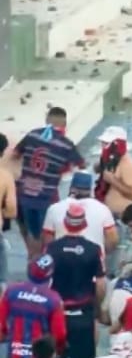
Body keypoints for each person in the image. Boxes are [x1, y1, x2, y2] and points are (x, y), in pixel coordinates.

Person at [45, 202, 105, 358]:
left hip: (56, 312)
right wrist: (97, 307)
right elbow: (101, 284)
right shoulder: (94, 250)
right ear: (84, 224)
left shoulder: (51, 248)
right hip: (82, 313)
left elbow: (43, 280)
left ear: (65, 223)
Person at [13, 107, 86, 256]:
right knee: (47, 233)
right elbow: (81, 164)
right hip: (46, 198)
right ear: (64, 125)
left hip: (25, 195)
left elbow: (15, 153)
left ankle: (33, 267)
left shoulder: (33, 135)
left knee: (32, 234)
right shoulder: (66, 145)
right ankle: (47, 267)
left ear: (47, 120)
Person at [0, 256, 65, 358]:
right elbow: (59, 334)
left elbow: (1, 323)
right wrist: (57, 351)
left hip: (13, 356)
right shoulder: (54, 299)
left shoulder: (11, 291)